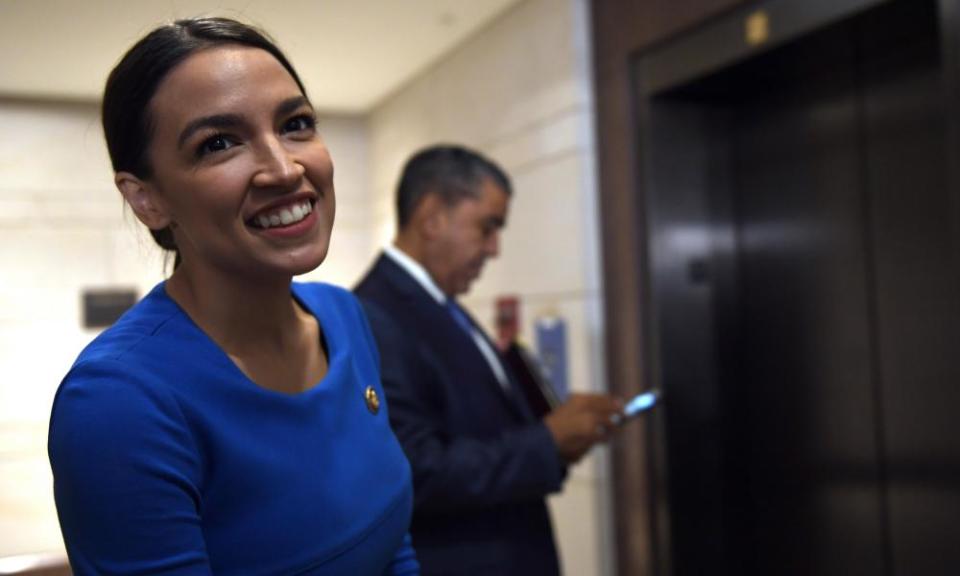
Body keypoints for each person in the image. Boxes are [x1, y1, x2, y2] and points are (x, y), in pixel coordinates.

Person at [48, 17, 418, 575]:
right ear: (147, 199)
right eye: (218, 143)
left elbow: (395, 546)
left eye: (296, 124)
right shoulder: (119, 401)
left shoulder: (344, 317)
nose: (284, 167)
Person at [355, 145, 622, 576]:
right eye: (488, 227)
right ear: (432, 217)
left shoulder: (442, 304)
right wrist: (546, 442)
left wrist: (561, 436)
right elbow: (416, 469)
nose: (495, 249)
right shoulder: (375, 313)